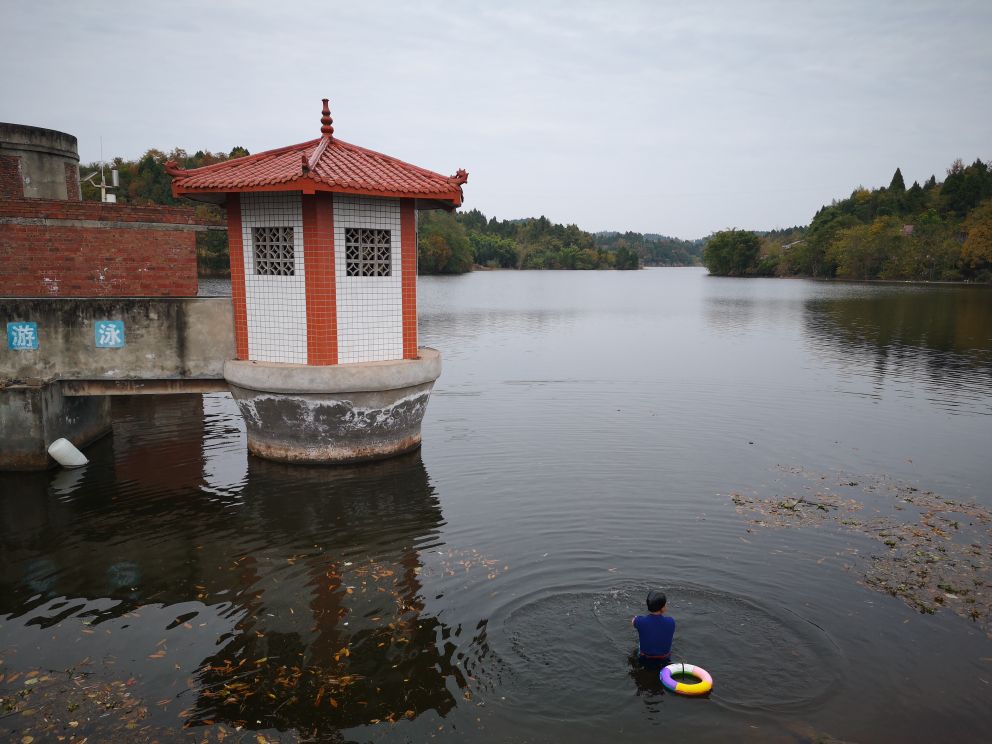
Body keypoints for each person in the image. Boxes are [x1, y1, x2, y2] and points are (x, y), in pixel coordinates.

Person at [631, 590, 675, 667]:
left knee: (636, 650)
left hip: (644, 660)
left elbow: (633, 621)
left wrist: (638, 619)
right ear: (662, 608)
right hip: (665, 660)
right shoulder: (671, 621)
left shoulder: (640, 621)